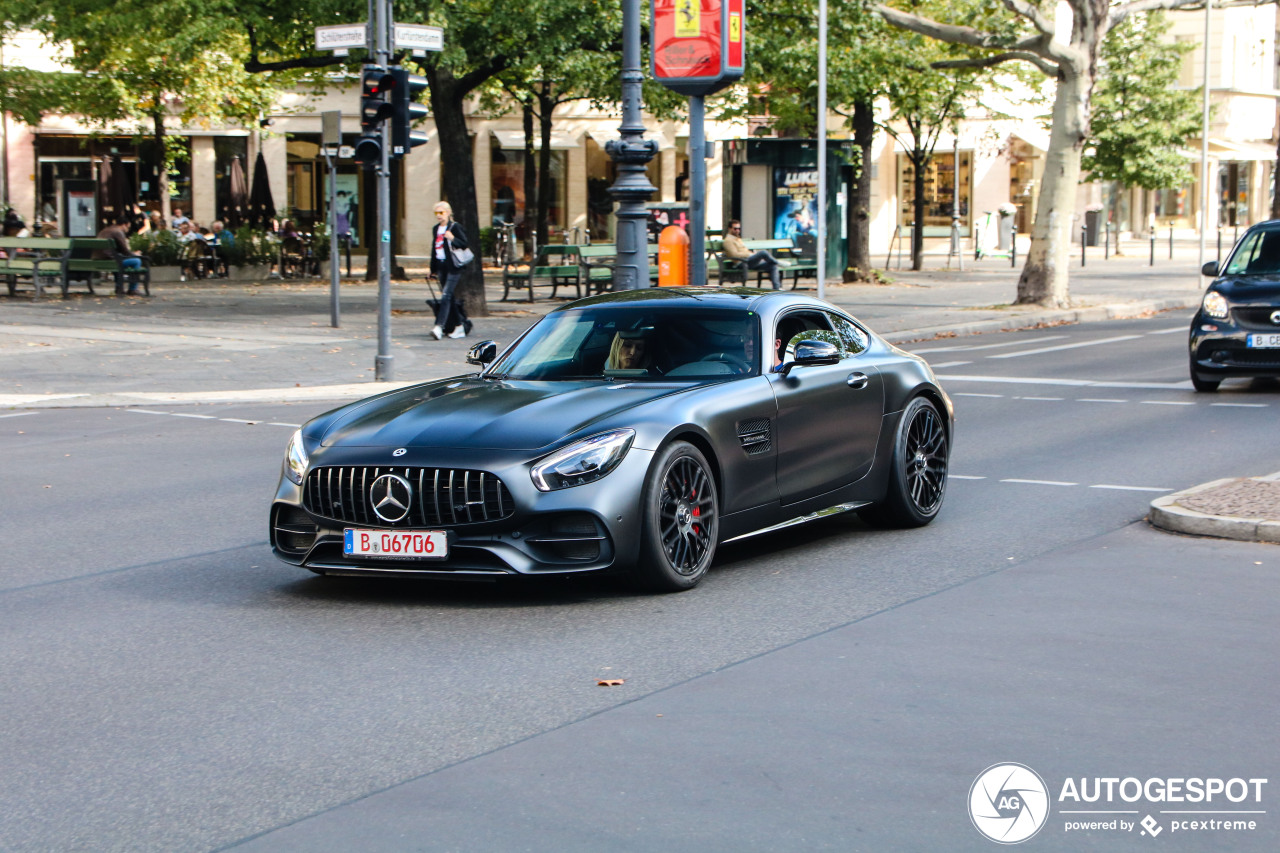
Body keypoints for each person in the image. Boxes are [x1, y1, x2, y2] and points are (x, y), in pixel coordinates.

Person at [429, 201, 471, 340]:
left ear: (448, 213)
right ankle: (459, 326)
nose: (439, 216)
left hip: (454, 266)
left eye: (441, 213)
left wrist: (452, 238)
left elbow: (464, 243)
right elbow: (434, 250)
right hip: (441, 266)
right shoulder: (436, 229)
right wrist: (432, 269)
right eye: (436, 213)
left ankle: (439, 327)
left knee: (446, 295)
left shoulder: (455, 227)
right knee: (449, 297)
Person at [722, 219, 788, 290]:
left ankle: (777, 288)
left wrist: (751, 254)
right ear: (729, 228)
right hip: (741, 263)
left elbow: (744, 251)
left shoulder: (737, 239)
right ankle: (778, 262)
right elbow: (734, 255)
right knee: (763, 252)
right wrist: (749, 254)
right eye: (735, 228)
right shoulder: (728, 241)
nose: (737, 230)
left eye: (739, 228)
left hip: (749, 261)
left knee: (772, 265)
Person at [94, 214, 145, 295]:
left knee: (118, 260)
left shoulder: (105, 230)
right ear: (124, 225)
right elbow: (126, 251)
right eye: (128, 227)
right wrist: (135, 254)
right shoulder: (118, 232)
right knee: (136, 261)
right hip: (112, 262)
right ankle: (133, 289)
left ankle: (119, 287)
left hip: (98, 261)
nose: (127, 230)